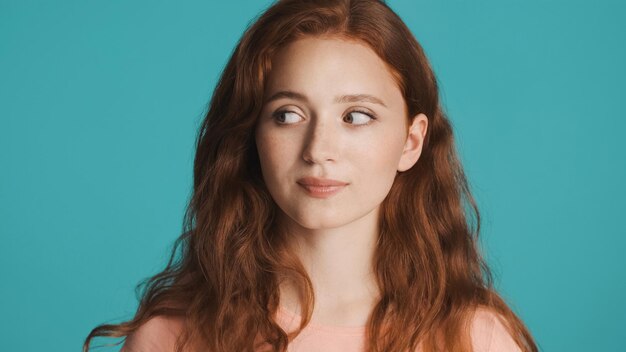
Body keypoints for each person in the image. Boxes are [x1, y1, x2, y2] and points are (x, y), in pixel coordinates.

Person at [83, 0, 538, 351]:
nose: (319, 150)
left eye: (357, 116)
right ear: (252, 134)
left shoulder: (476, 339)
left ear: (411, 142)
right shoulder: (172, 338)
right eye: (288, 115)